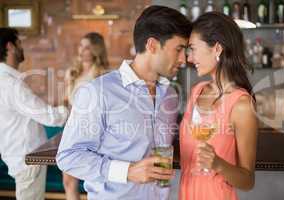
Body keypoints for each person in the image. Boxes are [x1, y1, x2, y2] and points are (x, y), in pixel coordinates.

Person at [56, 5, 191, 200]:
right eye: (179, 49)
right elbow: (68, 156)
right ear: (152, 45)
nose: (184, 59)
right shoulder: (98, 92)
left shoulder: (170, 94)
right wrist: (127, 171)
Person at [179, 12, 258, 200]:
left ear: (217, 48)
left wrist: (218, 165)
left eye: (193, 49)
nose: (189, 58)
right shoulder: (196, 91)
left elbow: (248, 180)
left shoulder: (241, 105)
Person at [0, 28, 69, 200]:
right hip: (27, 159)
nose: (22, 48)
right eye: (19, 44)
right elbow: (49, 116)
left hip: (18, 155)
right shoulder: (11, 85)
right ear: (10, 47)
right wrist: (72, 110)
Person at [62, 32, 109, 200]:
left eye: (87, 47)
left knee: (94, 180)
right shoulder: (72, 73)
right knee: (68, 180)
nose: (82, 50)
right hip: (73, 130)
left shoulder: (103, 74)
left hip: (94, 131)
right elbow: (67, 103)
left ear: (96, 50)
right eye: (81, 45)